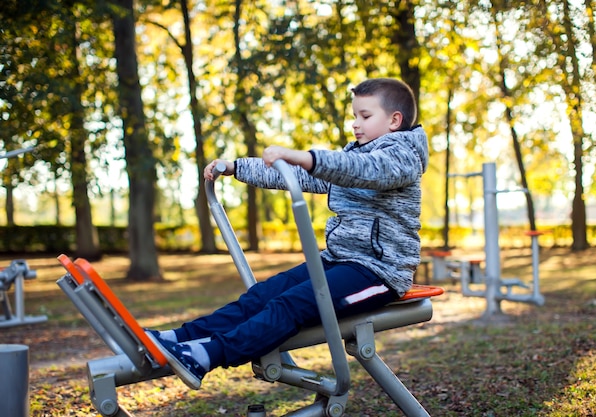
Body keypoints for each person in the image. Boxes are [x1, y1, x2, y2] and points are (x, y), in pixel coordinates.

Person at [146, 77, 429, 390]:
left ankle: (206, 355)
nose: (355, 124)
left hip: (379, 274)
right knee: (262, 296)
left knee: (291, 305)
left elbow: (366, 171)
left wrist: (305, 156)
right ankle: (179, 338)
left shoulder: (403, 158)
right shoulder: (354, 157)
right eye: (354, 116)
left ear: (394, 120)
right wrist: (236, 167)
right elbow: (298, 173)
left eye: (365, 116)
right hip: (338, 260)